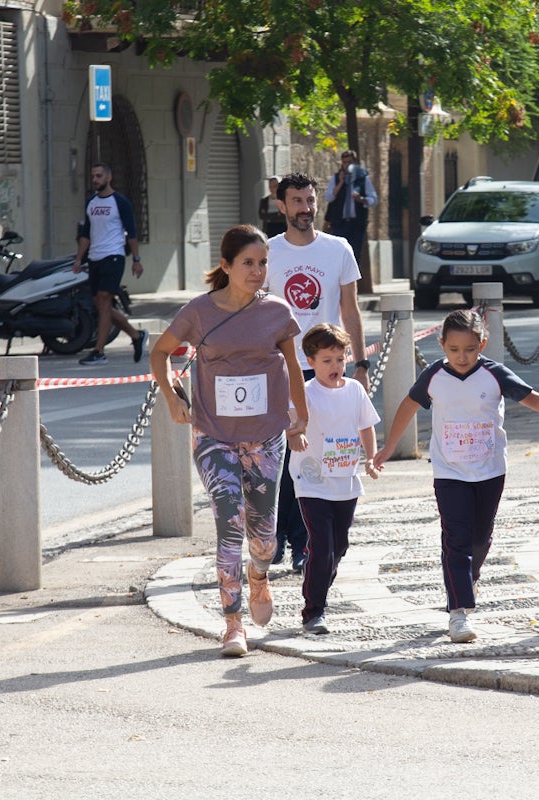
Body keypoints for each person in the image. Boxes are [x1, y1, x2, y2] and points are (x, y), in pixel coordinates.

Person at [148, 224, 308, 657]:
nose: (257, 272)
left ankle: (260, 575)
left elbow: (294, 367)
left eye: (263, 263)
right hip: (213, 433)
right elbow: (159, 353)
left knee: (266, 539)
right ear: (226, 266)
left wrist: (301, 418)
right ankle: (233, 624)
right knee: (228, 526)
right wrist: (171, 397)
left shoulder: (276, 311)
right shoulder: (199, 311)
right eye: (248, 264)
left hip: (265, 435)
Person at [373, 310, 539, 643]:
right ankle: (459, 611)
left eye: (469, 349)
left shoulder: (495, 375)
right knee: (456, 538)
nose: (461, 356)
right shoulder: (434, 376)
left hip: (490, 470)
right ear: (442, 345)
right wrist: (389, 446)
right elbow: (408, 405)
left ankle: (469, 576)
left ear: (482, 344)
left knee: (480, 537)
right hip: (449, 471)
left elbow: (534, 399)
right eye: (453, 349)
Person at [268, 172, 369, 572]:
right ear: (282, 206)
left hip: (322, 371)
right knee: (276, 459)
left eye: (310, 200)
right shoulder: (268, 251)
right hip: (277, 369)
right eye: (297, 201)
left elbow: (351, 311)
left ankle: (301, 543)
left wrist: (358, 364)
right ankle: (277, 537)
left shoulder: (338, 248)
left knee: (311, 459)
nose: (306, 208)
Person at [290, 323, 381, 634]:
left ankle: (317, 583)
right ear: (311, 361)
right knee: (323, 545)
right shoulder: (304, 393)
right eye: (327, 360)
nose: (335, 367)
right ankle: (314, 610)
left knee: (339, 545)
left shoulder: (355, 390)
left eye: (340, 359)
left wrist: (370, 458)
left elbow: (365, 425)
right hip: (311, 481)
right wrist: (296, 436)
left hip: (346, 480)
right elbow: (291, 425)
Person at [73, 163, 148, 366]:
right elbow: (86, 234)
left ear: (108, 177)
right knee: (100, 305)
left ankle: (99, 351)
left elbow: (131, 232)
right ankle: (136, 335)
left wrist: (136, 260)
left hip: (113, 256)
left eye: (99, 176)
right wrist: (79, 259)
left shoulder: (120, 202)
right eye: (93, 176)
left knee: (105, 300)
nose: (95, 179)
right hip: (95, 258)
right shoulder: (91, 203)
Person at [324, 150, 377, 271]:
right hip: (339, 223)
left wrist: (362, 199)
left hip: (356, 223)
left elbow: (373, 199)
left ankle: (352, 284)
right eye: (344, 162)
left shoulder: (363, 178)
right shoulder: (336, 178)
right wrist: (341, 183)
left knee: (354, 254)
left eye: (350, 162)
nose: (347, 165)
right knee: (338, 253)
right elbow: (329, 197)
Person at [259, 175, 287, 239]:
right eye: (270, 186)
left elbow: (284, 215)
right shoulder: (264, 200)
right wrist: (277, 214)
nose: (273, 189)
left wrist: (270, 216)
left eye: (275, 186)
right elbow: (262, 216)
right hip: (268, 229)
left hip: (282, 228)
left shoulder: (284, 200)